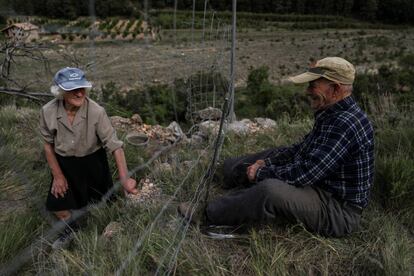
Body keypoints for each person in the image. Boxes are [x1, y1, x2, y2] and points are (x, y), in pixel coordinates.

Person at [178, 57, 374, 237]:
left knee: (270, 191)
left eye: (313, 85)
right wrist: (268, 162)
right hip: (320, 188)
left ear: (336, 89)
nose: (307, 91)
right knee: (274, 153)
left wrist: (262, 172)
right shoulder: (332, 113)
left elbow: (306, 173)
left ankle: (206, 216)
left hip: (337, 210)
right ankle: (226, 173)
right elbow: (300, 150)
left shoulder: (345, 124)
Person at [39, 67, 138, 246]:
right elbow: (48, 145)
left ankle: (107, 231)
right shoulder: (48, 111)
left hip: (93, 162)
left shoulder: (96, 111)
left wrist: (124, 179)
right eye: (72, 89)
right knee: (58, 205)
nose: (79, 93)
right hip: (65, 165)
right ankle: (72, 232)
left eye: (82, 88)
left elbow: (115, 147)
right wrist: (58, 176)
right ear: (60, 91)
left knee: (104, 203)